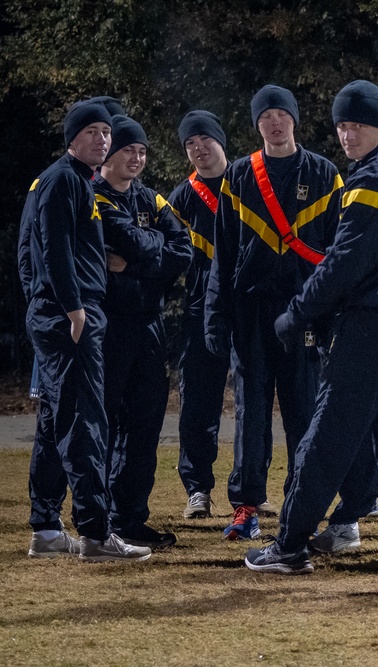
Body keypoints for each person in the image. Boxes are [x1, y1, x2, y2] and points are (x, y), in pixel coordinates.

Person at [245, 80, 378, 595]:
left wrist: (296, 314)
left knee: (327, 435)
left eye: (357, 124)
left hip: (377, 325)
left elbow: (342, 266)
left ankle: (288, 546)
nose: (347, 133)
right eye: (341, 125)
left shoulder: (369, 181)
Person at [205, 84, 344, 540]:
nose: (275, 123)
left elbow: (339, 251)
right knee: (251, 411)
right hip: (251, 312)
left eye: (282, 114)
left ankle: (302, 502)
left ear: (295, 121)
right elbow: (223, 256)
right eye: (266, 117)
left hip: (303, 312)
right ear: (257, 125)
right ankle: (246, 507)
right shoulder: (240, 176)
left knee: (306, 410)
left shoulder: (325, 173)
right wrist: (216, 315)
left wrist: (330, 316)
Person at [19, 99, 151, 562]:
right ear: (72, 137)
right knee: (85, 422)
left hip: (60, 313)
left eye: (106, 132)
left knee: (58, 420)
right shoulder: (62, 181)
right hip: (72, 316)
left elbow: (32, 254)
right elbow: (51, 252)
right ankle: (96, 534)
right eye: (92, 131)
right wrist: (73, 310)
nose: (103, 139)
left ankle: (47, 529)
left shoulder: (72, 181)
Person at [93, 115, 193, 549]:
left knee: (146, 426)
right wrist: (148, 251)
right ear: (109, 154)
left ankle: (131, 518)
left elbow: (183, 251)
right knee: (105, 425)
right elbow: (126, 239)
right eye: (128, 150)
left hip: (148, 327)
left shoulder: (152, 200)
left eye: (142, 151)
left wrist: (133, 263)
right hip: (108, 326)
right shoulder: (93, 197)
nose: (136, 158)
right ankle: (98, 521)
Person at [168, 110, 231, 519]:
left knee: (257, 404)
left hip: (247, 307)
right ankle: (198, 489)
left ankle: (251, 490)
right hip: (198, 311)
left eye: (204, 139)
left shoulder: (246, 182)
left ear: (220, 141)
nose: (198, 149)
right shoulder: (181, 197)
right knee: (198, 404)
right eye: (190, 144)